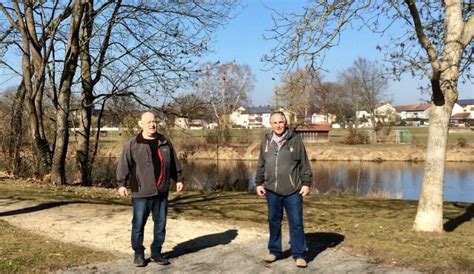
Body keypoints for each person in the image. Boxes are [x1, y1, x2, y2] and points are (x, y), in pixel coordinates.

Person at [116, 111, 184, 267]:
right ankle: (138, 253)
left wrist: (178, 178)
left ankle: (156, 252)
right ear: (141, 124)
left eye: (154, 121)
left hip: (161, 191)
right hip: (141, 192)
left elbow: (173, 162)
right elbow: (123, 165)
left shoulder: (165, 142)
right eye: (149, 122)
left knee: (160, 225)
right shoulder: (133, 144)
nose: (152, 124)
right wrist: (121, 184)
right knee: (138, 225)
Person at [255, 111, 313, 268]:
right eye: (274, 123)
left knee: (296, 223)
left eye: (280, 122)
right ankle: (274, 251)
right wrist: (259, 183)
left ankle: (299, 254)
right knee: (274, 221)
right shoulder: (266, 141)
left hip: (293, 190)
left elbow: (304, 164)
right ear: (270, 124)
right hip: (271, 190)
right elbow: (261, 164)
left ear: (285, 123)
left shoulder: (295, 140)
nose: (278, 125)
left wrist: (306, 183)